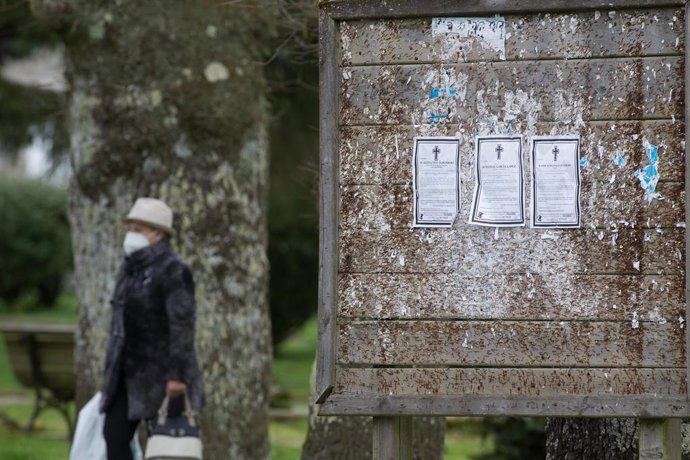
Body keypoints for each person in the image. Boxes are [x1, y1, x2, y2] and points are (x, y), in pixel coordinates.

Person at [100, 197, 205, 460]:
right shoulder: (129, 266)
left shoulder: (174, 269)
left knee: (162, 444)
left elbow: (182, 325)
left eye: (138, 229)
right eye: (130, 227)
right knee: (113, 436)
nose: (131, 234)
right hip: (125, 373)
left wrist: (177, 376)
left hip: (162, 375)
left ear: (158, 233)